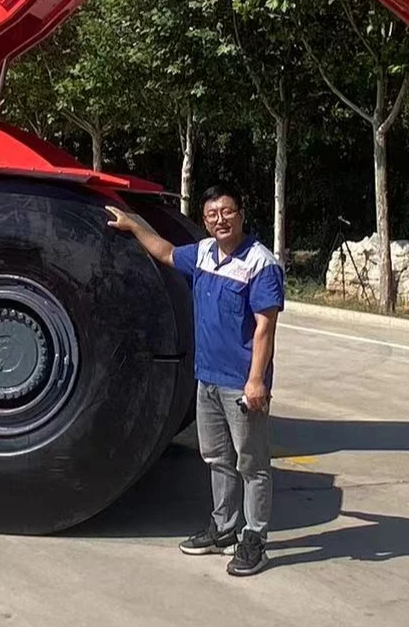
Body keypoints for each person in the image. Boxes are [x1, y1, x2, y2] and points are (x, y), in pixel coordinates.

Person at [107, 184, 284, 576]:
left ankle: (254, 538)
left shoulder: (261, 263)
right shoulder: (203, 253)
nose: (220, 220)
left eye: (226, 211)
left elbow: (264, 329)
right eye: (211, 215)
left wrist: (257, 381)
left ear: (240, 214)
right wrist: (135, 224)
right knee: (217, 458)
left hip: (241, 383)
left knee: (252, 463)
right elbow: (167, 252)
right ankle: (223, 528)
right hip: (207, 379)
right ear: (205, 220)